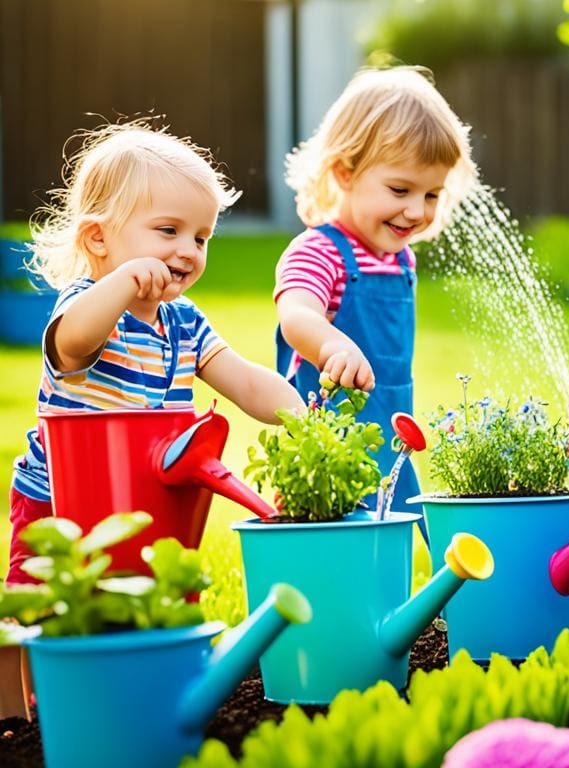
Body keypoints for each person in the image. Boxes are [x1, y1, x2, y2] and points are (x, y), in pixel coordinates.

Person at [8, 120, 305, 586]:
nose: (188, 250)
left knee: (142, 607)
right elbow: (72, 344)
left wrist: (303, 419)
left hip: (143, 500)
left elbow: (245, 382)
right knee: (45, 617)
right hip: (62, 504)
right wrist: (124, 283)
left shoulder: (183, 322)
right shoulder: (88, 305)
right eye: (169, 230)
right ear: (99, 239)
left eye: (201, 237)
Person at [275, 66, 476, 520]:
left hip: (391, 436)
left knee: (394, 533)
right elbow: (296, 314)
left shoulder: (400, 260)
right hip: (330, 446)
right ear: (345, 173)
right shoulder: (319, 250)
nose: (415, 210)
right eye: (400, 189)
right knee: (337, 537)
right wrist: (332, 345)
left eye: (431, 195)